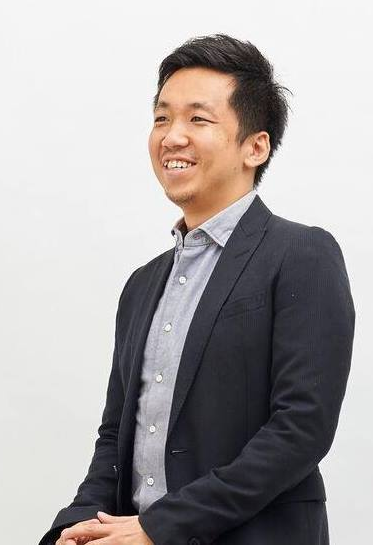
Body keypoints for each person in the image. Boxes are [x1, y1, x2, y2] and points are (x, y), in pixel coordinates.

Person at [38, 33, 355, 545]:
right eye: (162, 118)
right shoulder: (142, 285)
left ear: (256, 146)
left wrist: (160, 527)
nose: (172, 136)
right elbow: (116, 435)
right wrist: (78, 523)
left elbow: (301, 430)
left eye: (198, 119)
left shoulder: (302, 254)